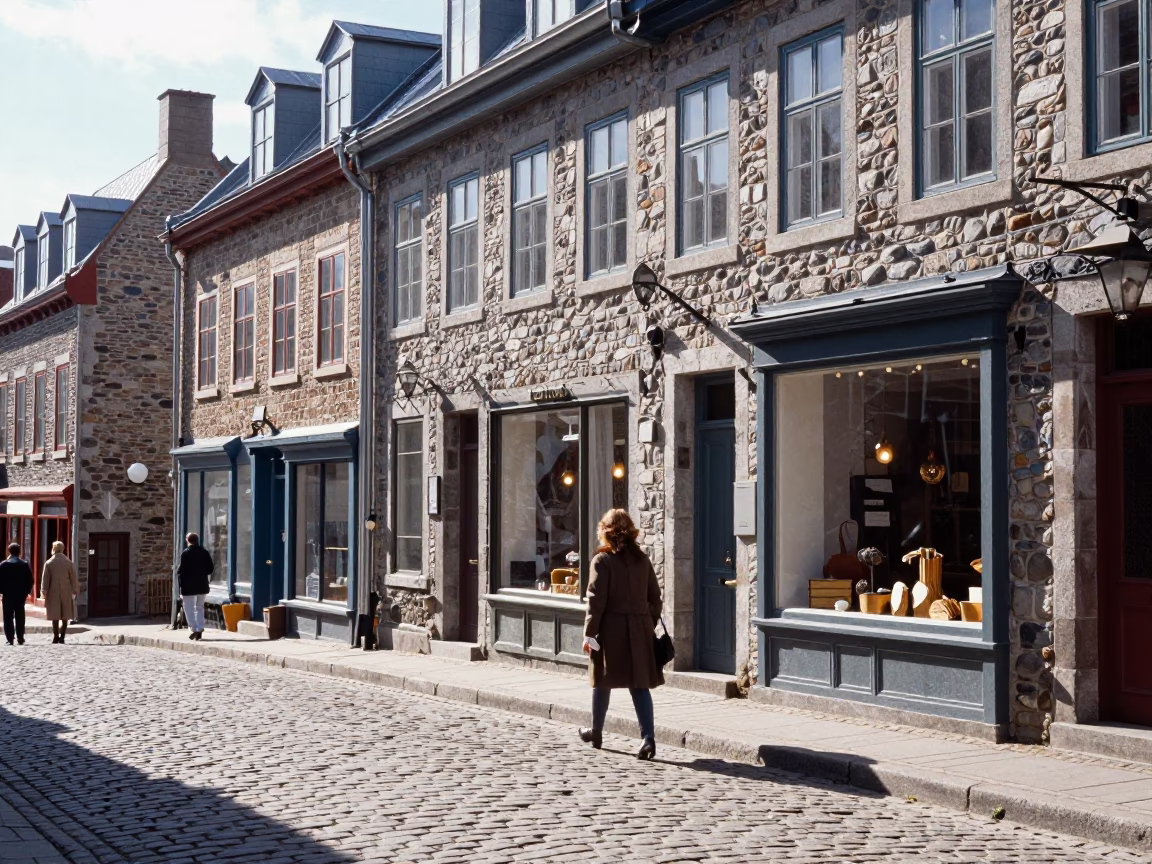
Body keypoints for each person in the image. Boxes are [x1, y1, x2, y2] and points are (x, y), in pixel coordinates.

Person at [579, 509, 664, 760]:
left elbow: (596, 601)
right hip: (639, 630)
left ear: (605, 533)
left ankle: (596, 732)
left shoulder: (602, 561)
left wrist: (589, 633)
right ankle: (648, 738)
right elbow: (655, 599)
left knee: (601, 679)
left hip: (610, 630)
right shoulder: (642, 560)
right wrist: (646, 622)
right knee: (639, 685)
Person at [177, 533, 213, 641]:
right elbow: (210, 568)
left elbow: (181, 571)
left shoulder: (186, 553)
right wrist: (202, 573)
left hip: (188, 585)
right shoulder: (204, 552)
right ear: (197, 540)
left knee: (189, 607)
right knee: (200, 607)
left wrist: (180, 587)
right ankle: (200, 627)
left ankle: (193, 628)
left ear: (187, 540)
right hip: (202, 584)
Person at [41, 541, 79, 644]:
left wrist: (44, 591)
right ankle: (62, 636)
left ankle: (55, 636)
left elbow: (45, 579)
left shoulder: (49, 563)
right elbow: (73, 578)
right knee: (65, 615)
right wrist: (74, 590)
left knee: (55, 615)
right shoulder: (68, 562)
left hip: (53, 592)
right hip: (66, 591)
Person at [0, 543, 34, 646]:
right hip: (20, 595)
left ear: (9, 551)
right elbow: (30, 580)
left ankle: (10, 638)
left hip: (8, 595)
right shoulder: (24, 564)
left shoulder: (4, 565)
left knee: (8, 617)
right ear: (19, 552)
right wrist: (26, 592)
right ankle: (20, 637)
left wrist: (2, 591)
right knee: (20, 616)